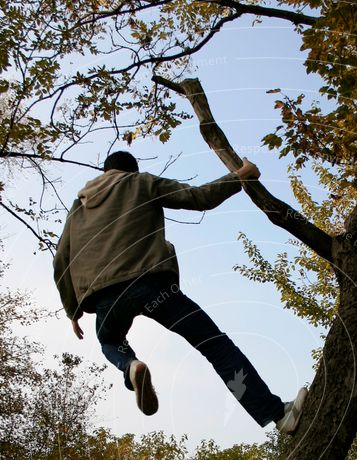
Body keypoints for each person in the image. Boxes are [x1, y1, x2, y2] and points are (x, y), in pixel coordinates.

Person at [53, 150, 307, 433]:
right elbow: (199, 197)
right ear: (132, 171)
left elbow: (61, 257)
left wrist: (72, 311)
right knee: (215, 346)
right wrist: (240, 176)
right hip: (152, 286)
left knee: (110, 342)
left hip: (106, 298)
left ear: (104, 172)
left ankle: (130, 366)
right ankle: (278, 415)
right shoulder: (140, 182)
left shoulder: (80, 205)